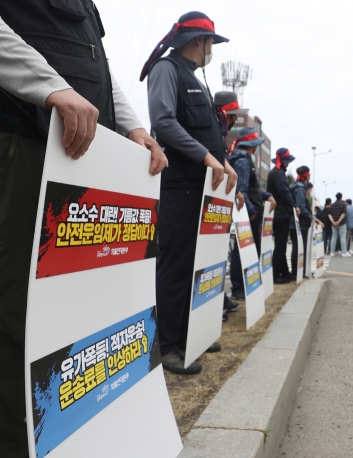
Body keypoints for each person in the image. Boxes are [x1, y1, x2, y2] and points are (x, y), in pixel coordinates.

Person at [0, 3, 168, 456]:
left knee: (77, 314)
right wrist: (50, 87)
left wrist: (131, 125)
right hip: (25, 140)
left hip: (79, 153)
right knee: (20, 315)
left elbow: (97, 60)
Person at [143, 11, 239, 375]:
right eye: (211, 42)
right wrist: (208, 158)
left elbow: (207, 137)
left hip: (201, 191)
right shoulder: (167, 70)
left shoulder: (195, 80)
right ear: (199, 41)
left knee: (197, 267)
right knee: (176, 269)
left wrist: (221, 162)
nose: (211, 49)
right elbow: (164, 123)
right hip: (180, 188)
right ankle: (167, 346)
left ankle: (189, 335)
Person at [228, 127, 276, 299]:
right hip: (248, 213)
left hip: (249, 211)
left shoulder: (242, 159)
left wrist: (267, 195)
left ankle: (243, 286)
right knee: (241, 251)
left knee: (244, 250)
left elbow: (251, 190)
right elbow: (241, 190)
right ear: (252, 145)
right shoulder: (242, 161)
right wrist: (252, 211)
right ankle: (239, 288)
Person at [213, 91, 246, 316]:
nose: (233, 122)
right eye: (232, 116)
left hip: (217, 206)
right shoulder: (211, 130)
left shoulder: (217, 133)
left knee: (217, 257)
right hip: (208, 202)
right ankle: (216, 303)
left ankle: (218, 300)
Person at [267, 148, 297, 283]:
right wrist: (294, 205)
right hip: (281, 213)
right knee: (280, 246)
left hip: (277, 213)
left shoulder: (274, 172)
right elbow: (284, 192)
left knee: (281, 244)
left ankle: (284, 272)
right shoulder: (279, 174)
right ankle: (274, 274)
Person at [289, 166, 312, 278]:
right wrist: (309, 214)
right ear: (307, 176)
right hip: (300, 224)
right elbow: (301, 207)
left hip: (294, 223)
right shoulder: (300, 189)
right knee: (299, 249)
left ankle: (297, 271)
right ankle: (298, 272)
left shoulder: (294, 186)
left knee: (296, 248)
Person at [328, 192, 349, 257]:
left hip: (334, 224)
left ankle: (332, 252)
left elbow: (329, 214)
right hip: (342, 223)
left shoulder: (332, 205)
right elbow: (344, 213)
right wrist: (339, 221)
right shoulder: (343, 204)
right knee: (342, 238)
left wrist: (333, 221)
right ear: (341, 197)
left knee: (334, 238)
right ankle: (344, 252)